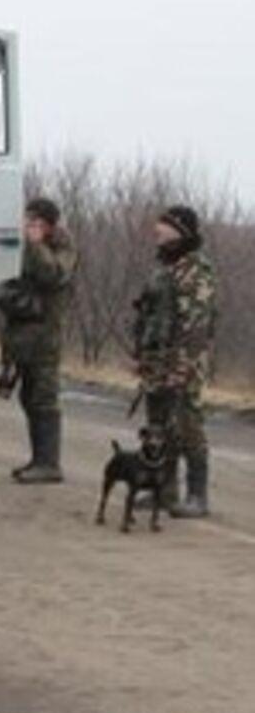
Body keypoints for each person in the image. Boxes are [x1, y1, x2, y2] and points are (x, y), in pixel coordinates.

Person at [132, 205, 218, 518]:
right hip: (157, 359)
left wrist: (181, 366)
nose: (157, 229)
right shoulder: (164, 267)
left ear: (181, 230)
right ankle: (164, 491)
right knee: (158, 425)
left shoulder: (196, 270)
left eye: (164, 225)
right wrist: (143, 355)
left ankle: (197, 496)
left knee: (187, 424)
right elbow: (150, 314)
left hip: (183, 361)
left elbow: (195, 324)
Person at [0, 198, 78, 484]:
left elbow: (53, 275)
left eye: (36, 223)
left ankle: (49, 463)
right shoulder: (24, 249)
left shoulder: (62, 249)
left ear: (48, 225)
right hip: (21, 336)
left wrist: (35, 244)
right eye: (27, 222)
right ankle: (38, 458)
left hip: (45, 337)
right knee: (28, 396)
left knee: (44, 397)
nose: (29, 227)